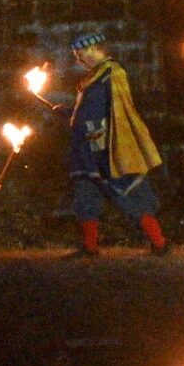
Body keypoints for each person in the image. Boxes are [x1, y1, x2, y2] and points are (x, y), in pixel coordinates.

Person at [63, 33, 169, 258]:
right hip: (85, 151)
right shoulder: (91, 78)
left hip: (108, 149)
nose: (78, 59)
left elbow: (119, 110)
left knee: (130, 193)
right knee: (85, 195)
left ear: (92, 48)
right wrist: (66, 111)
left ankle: (160, 243)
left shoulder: (112, 73)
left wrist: (102, 138)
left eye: (79, 54)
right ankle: (90, 248)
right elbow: (86, 112)